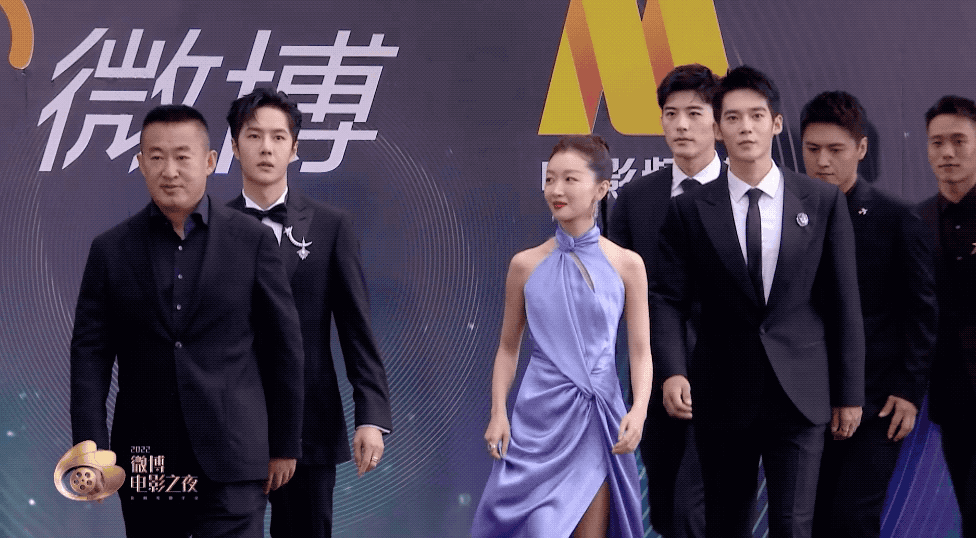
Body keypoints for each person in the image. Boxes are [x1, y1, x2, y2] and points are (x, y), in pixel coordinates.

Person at [70, 104, 304, 537]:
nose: (170, 171)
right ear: (141, 164)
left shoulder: (252, 240)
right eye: (156, 157)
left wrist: (286, 443)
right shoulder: (111, 250)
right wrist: (90, 447)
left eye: (182, 156)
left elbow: (284, 349)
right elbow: (90, 357)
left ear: (210, 161)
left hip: (235, 455)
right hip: (147, 459)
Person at [651, 65, 865, 538]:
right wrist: (672, 370)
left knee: (794, 524)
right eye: (732, 118)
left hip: (801, 393)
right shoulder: (689, 209)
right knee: (726, 524)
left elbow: (844, 302)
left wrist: (850, 393)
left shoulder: (821, 201)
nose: (745, 127)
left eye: (756, 116)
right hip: (721, 392)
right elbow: (666, 298)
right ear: (718, 129)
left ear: (776, 123)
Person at [225, 88, 393, 537]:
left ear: (294, 149)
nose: (266, 148)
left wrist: (371, 415)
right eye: (254, 136)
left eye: (278, 137)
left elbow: (357, 330)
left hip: (310, 425)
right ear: (234, 146)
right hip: (229, 425)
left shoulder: (331, 226)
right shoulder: (211, 229)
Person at [471, 135, 652, 537]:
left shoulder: (627, 264)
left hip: (597, 420)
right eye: (550, 179)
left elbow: (641, 350)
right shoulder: (525, 264)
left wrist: (639, 410)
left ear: (601, 188)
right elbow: (507, 348)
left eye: (570, 179)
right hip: (537, 422)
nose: (556, 190)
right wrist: (499, 412)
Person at [800, 91, 938, 538]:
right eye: (812, 149)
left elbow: (922, 313)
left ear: (861, 148)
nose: (822, 161)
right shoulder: (786, 217)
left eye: (835, 149)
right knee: (807, 520)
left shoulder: (898, 220)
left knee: (853, 518)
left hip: (877, 401)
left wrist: (908, 391)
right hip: (804, 399)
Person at [608, 63, 721, 538]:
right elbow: (614, 292)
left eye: (694, 113)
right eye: (671, 114)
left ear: (718, 122)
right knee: (669, 509)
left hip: (729, 375)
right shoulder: (635, 199)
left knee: (702, 508)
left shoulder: (746, 193)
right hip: (654, 378)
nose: (681, 125)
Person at [918, 95, 976, 538]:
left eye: (959, 141)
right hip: (952, 397)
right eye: (937, 142)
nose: (947, 152)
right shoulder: (913, 222)